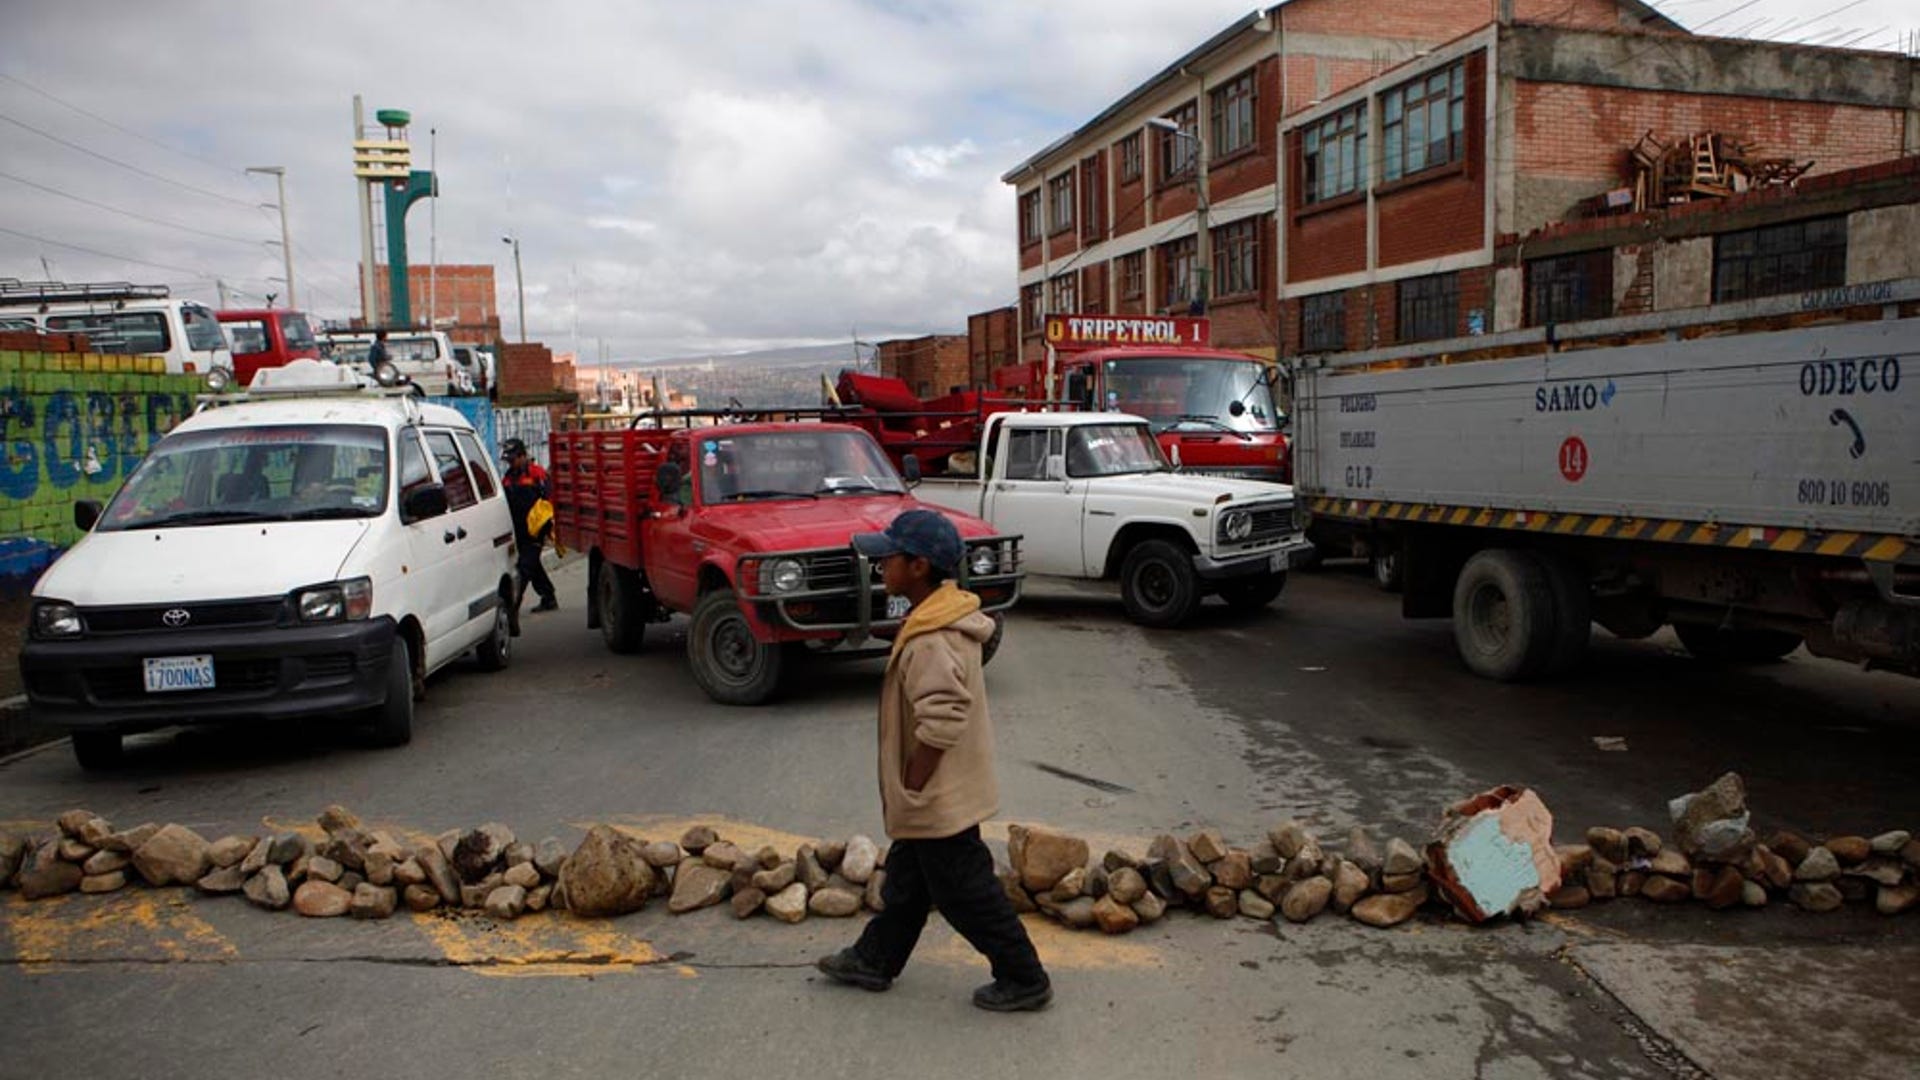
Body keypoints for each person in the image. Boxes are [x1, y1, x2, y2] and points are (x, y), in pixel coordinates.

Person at [815, 509, 1051, 1013]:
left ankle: (1023, 975)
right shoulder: (938, 615)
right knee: (908, 881)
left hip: (937, 793)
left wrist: (915, 779)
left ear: (918, 567)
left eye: (890, 558)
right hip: (936, 792)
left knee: (966, 890)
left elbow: (943, 717)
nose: (882, 566)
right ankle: (874, 959)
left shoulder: (931, 637)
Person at [501, 437, 558, 613]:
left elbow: (550, 501)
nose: (510, 463)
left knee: (524, 567)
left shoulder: (537, 474)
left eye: (513, 459)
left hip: (536, 530)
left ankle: (513, 607)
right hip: (518, 530)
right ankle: (548, 597)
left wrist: (549, 527)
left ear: (522, 456)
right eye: (508, 460)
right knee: (532, 565)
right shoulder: (508, 479)